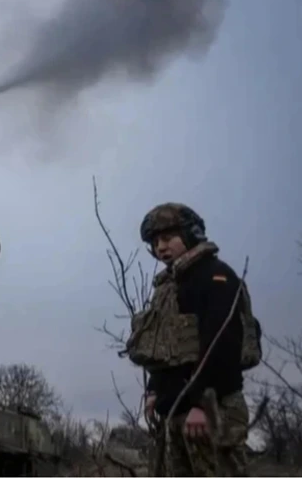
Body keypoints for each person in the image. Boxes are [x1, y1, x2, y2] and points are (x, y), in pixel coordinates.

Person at [125, 203, 261, 477]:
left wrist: (202, 405)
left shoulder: (215, 275)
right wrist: (155, 390)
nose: (160, 247)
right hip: (176, 409)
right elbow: (166, 347)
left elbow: (222, 342)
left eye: (167, 238)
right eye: (155, 242)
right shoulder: (169, 286)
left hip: (213, 408)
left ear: (191, 234)